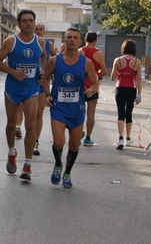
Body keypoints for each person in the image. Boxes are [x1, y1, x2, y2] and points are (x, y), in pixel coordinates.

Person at [42, 27, 99, 188]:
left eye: (75, 38)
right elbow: (45, 79)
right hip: (58, 108)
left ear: (80, 41)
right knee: (59, 142)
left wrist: (91, 91)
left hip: (77, 110)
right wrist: (47, 95)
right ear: (65, 41)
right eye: (69, 37)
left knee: (74, 144)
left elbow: (95, 83)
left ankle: (67, 172)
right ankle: (58, 164)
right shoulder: (55, 60)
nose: (72, 40)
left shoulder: (86, 63)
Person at [0, 9, 47, 181]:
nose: (28, 23)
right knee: (11, 124)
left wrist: (43, 71)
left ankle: (27, 164)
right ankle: (11, 152)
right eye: (24, 21)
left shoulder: (40, 42)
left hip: (31, 89)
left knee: (30, 125)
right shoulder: (11, 41)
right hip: (13, 89)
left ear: (34, 22)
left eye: (31, 20)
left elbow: (45, 57)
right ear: (19, 24)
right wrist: (12, 71)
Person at [110, 39, 142, 150]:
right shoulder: (137, 61)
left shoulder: (117, 60)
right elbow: (139, 79)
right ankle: (128, 138)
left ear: (123, 48)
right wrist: (139, 94)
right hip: (131, 89)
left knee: (120, 113)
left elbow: (112, 77)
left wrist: (118, 73)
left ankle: (120, 138)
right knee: (129, 113)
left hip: (120, 88)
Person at [32, 22, 57, 155]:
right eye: (36, 29)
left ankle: (35, 141)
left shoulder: (49, 45)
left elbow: (55, 61)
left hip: (42, 82)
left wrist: (47, 74)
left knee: (39, 112)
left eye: (41, 29)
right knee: (29, 114)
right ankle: (27, 135)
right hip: (27, 83)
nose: (38, 31)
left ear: (44, 31)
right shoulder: (27, 42)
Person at [78, 31, 107, 146]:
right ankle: (88, 138)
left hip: (80, 84)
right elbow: (104, 71)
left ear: (85, 39)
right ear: (96, 41)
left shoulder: (80, 51)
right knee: (91, 113)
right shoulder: (99, 54)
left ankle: (78, 134)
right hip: (93, 84)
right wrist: (96, 74)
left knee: (79, 112)